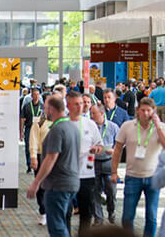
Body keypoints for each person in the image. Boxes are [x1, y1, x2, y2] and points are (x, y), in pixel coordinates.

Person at [111, 97, 165, 237]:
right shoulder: (127, 126)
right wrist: (114, 171)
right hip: (133, 177)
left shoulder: (161, 127)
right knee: (127, 216)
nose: (145, 113)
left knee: (151, 216)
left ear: (153, 112)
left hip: (153, 177)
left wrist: (157, 126)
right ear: (137, 111)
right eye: (142, 110)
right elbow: (117, 149)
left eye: (148, 111)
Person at [26, 96, 81, 237]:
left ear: (51, 109)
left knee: (56, 226)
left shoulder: (57, 130)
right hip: (71, 182)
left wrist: (36, 182)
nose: (44, 111)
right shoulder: (73, 127)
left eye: (45, 108)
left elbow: (51, 158)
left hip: (58, 185)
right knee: (62, 222)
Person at [67, 91, 104, 233]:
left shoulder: (90, 124)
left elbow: (100, 144)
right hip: (67, 174)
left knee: (86, 211)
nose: (80, 107)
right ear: (69, 105)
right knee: (66, 210)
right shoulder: (62, 124)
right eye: (76, 104)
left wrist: (97, 148)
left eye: (81, 104)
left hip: (86, 174)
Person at [90, 103, 120, 225]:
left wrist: (114, 150)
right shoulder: (90, 127)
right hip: (94, 162)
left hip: (109, 162)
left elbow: (120, 144)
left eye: (94, 113)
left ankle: (111, 211)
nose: (91, 116)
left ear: (102, 114)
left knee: (111, 191)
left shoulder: (113, 127)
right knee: (94, 191)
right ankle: (98, 217)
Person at [29, 94, 53, 226]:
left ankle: (52, 211)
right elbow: (33, 139)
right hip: (41, 156)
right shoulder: (39, 121)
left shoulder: (61, 121)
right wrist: (33, 157)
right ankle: (43, 212)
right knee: (41, 186)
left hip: (56, 157)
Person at [22, 86, 43, 174]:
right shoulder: (26, 106)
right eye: (34, 95)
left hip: (39, 129)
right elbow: (22, 119)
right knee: (28, 147)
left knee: (38, 147)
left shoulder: (42, 106)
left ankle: (37, 164)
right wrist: (21, 132)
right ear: (32, 96)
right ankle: (29, 165)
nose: (36, 96)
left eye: (38, 94)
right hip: (29, 128)